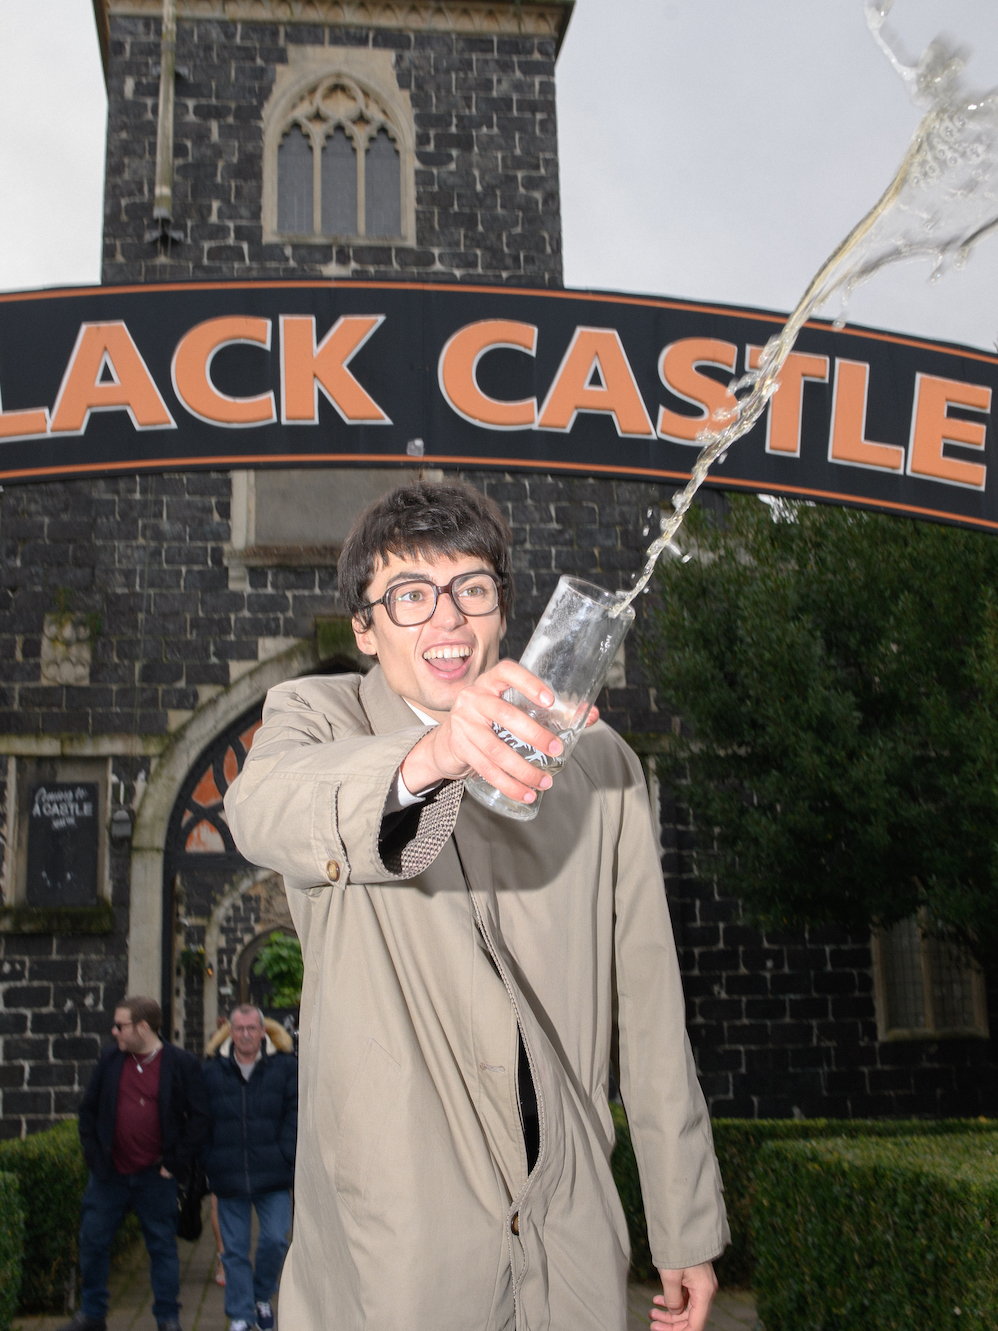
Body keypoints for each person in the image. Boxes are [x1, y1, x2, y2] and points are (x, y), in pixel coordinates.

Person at [224, 482, 727, 1331]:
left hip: (566, 1230)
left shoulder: (599, 763)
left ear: (504, 609)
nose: (446, 621)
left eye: (472, 589)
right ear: (365, 626)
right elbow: (261, 805)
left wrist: (684, 1222)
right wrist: (434, 753)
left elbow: (649, 1008)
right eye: (410, 596)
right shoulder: (315, 718)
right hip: (396, 1249)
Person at [60, 996, 209, 1331]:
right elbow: (88, 1111)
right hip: (109, 1176)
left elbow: (199, 1119)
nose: (114, 1031)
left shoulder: (181, 1063)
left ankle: (168, 1319)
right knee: (93, 1241)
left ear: (143, 1027)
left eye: (121, 1025)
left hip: (155, 1176)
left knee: (162, 1249)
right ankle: (92, 1314)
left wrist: (173, 1163)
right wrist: (96, 1159)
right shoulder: (111, 1060)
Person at [202, 1003, 298, 1331]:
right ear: (229, 1032)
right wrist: (209, 1159)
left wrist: (286, 1154)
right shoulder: (212, 1070)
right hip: (229, 1175)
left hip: (273, 1173)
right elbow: (202, 1119)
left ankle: (260, 1297)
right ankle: (242, 1315)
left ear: (263, 1031)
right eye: (238, 1029)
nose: (245, 1034)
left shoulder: (285, 1066)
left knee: (275, 1240)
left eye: (251, 1029)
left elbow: (295, 1112)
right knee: (234, 1251)